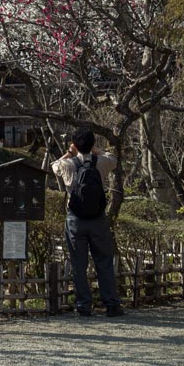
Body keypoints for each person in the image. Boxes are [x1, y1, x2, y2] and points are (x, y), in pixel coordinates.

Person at [51, 128, 124, 317]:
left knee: (78, 263)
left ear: (74, 145)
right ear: (92, 144)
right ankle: (111, 304)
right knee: (104, 261)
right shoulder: (102, 162)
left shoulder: (68, 164)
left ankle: (84, 305)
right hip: (98, 218)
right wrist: (95, 150)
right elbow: (114, 160)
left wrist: (70, 151)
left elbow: (54, 165)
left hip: (75, 219)